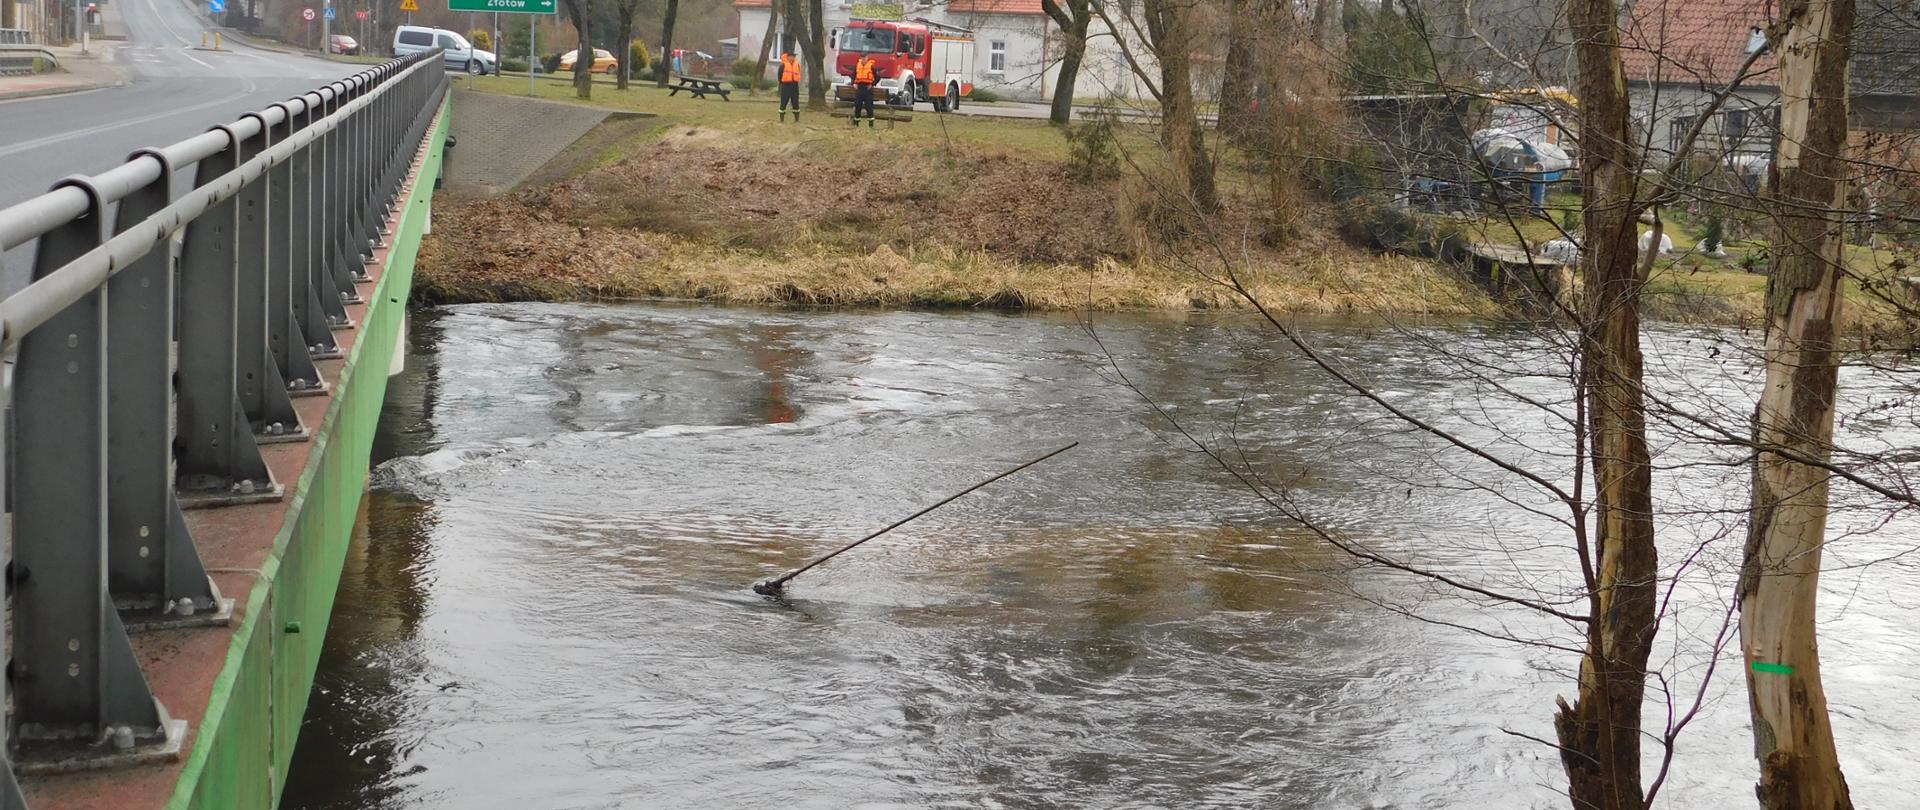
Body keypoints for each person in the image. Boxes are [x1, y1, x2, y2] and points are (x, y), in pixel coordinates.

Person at [850, 52, 880, 127]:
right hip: (859, 87)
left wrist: (872, 84)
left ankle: (871, 124)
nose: (863, 59)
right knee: (858, 105)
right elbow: (853, 75)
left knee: (869, 106)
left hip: (867, 88)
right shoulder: (857, 65)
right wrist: (853, 83)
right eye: (862, 58)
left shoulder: (872, 66)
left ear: (867, 58)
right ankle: (856, 123)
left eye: (865, 57)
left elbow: (878, 77)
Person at [778, 48, 803, 123]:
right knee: (784, 102)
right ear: (788, 57)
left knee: (795, 102)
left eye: (794, 56)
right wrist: (781, 84)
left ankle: (797, 119)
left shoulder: (797, 65)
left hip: (795, 86)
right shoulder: (783, 65)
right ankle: (781, 119)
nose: (793, 58)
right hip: (786, 86)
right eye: (792, 56)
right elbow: (779, 75)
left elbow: (798, 74)